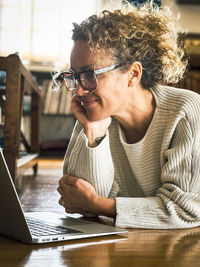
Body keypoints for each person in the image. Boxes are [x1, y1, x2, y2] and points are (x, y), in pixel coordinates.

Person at [55, 1, 200, 229]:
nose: (79, 90)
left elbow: (186, 210)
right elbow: (77, 201)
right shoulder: (95, 113)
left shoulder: (185, 111)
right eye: (74, 76)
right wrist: (94, 134)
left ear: (133, 73)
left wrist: (98, 204)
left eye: (90, 74)